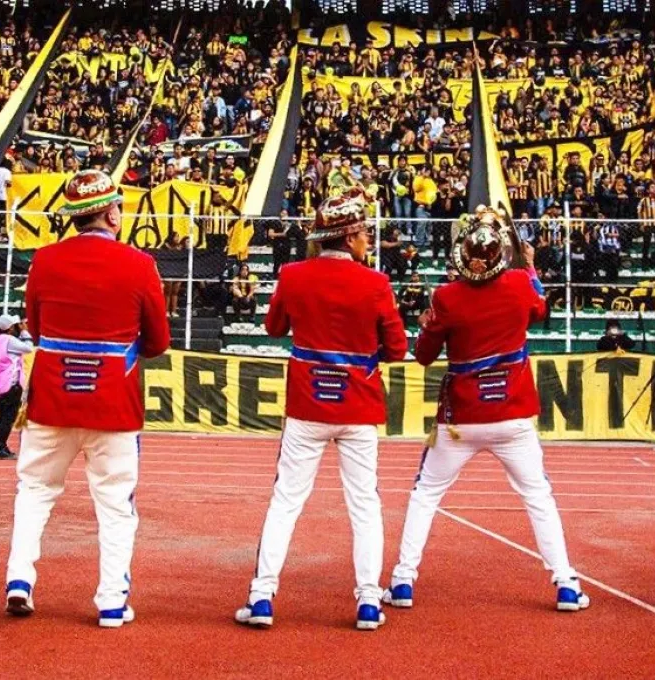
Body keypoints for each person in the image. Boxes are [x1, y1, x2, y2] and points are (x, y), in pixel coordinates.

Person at [383, 206, 589, 613]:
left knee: (426, 495)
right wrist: (530, 268)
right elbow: (541, 309)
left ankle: (403, 579)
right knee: (538, 497)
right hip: (513, 415)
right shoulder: (516, 285)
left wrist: (429, 324)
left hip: (461, 418)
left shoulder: (447, 297)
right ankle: (565, 582)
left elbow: (423, 356)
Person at [235, 189, 407, 631]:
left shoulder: (293, 275)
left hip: (307, 405)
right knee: (364, 504)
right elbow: (397, 348)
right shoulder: (375, 283)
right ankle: (369, 600)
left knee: (286, 501)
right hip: (359, 406)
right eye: (364, 232)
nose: (368, 239)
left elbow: (274, 327)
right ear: (348, 238)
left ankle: (262, 596)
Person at [4, 170, 170, 627]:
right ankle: (111, 601)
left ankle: (19, 578)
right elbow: (158, 342)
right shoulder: (139, 264)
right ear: (112, 212)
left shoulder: (45, 260)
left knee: (35, 490)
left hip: (52, 398)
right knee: (116, 504)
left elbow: (36, 330)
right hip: (113, 403)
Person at [0, 313, 33, 460]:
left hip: (1, 382)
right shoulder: (10, 340)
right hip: (11, 383)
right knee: (8, 417)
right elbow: (28, 348)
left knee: (2, 417)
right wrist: (24, 331)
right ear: (10, 328)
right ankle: (1, 448)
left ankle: (0, 446)